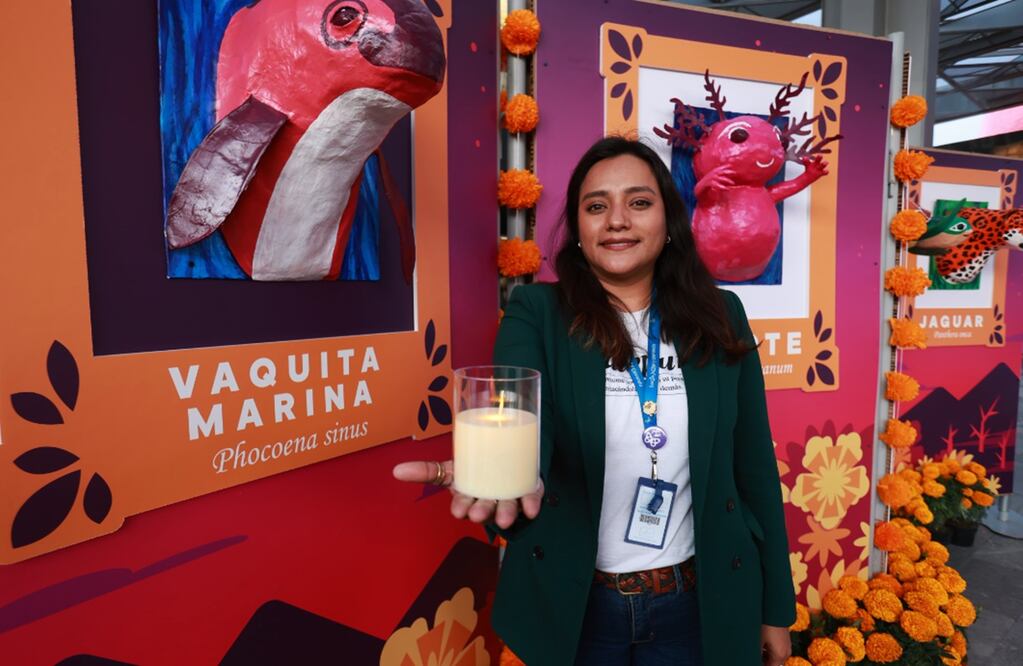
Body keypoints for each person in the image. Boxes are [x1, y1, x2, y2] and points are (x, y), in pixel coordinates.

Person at [394, 136, 794, 665]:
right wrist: (507, 475)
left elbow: (754, 467)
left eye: (639, 202)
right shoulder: (537, 311)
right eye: (597, 206)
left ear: (669, 223)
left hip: (699, 602)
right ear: (579, 231)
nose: (617, 221)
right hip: (579, 607)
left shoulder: (722, 315)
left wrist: (775, 609)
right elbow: (521, 418)